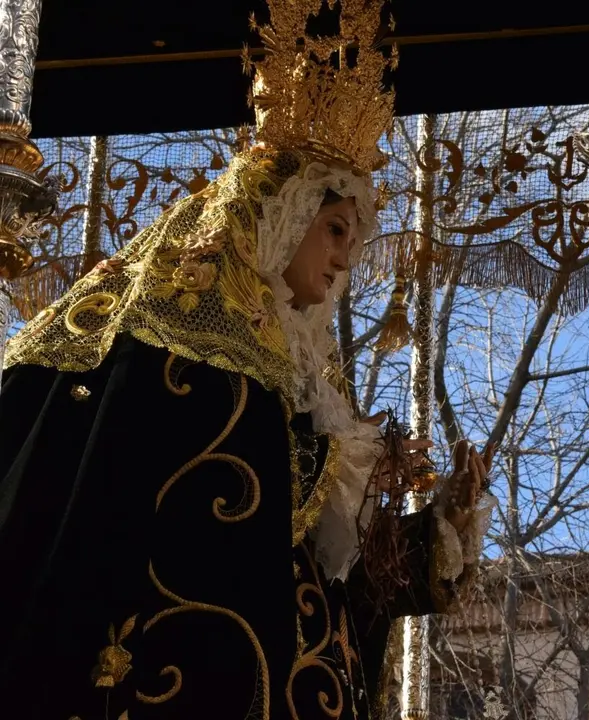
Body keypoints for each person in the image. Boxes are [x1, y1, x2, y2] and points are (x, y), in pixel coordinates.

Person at [0, 2, 495, 717]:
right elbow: (207, 510)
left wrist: (428, 536)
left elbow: (327, 584)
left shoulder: (310, 380)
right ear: (279, 216)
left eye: (354, 242)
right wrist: (343, 460)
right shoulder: (176, 347)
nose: (343, 260)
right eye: (333, 230)